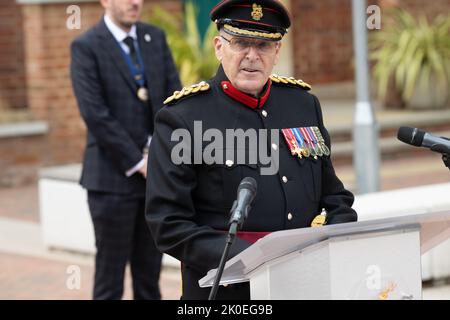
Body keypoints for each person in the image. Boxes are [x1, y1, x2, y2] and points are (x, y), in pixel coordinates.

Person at [145, 0, 357, 300]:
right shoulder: (183, 118)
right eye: (241, 43)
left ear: (277, 52)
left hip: (305, 283)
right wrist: (255, 258)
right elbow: (167, 223)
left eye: (264, 45)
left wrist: (334, 237)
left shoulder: (303, 105)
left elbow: (335, 196)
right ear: (219, 47)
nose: (252, 56)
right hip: (227, 292)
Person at [70, 0, 181, 300]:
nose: (135, 2)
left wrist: (161, 157)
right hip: (111, 181)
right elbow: (94, 114)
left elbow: (175, 100)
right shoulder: (86, 46)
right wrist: (138, 162)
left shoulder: (154, 37)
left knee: (149, 280)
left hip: (154, 182)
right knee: (110, 280)